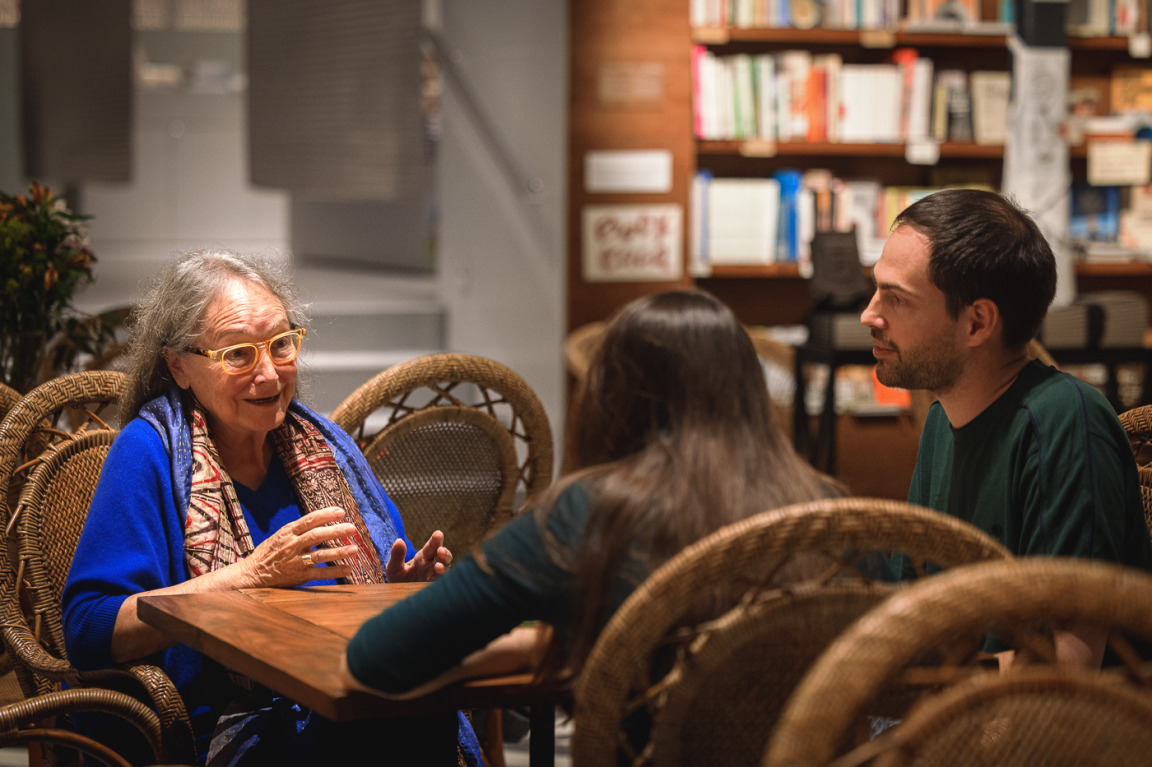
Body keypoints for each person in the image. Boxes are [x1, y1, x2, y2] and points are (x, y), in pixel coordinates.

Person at [61, 250, 480, 766]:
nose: (269, 374)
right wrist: (246, 576)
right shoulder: (148, 452)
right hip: (225, 724)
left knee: (414, 705)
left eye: (281, 345)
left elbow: (384, 595)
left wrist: (399, 590)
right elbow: (88, 630)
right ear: (178, 366)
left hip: (345, 693)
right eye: (237, 354)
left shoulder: (324, 448)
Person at [338, 289, 843, 709]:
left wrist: (508, 652)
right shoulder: (825, 509)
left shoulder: (586, 514)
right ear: (748, 391)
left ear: (611, 395)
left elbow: (370, 663)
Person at [860, 188, 1152, 668]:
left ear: (977, 323)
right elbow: (910, 616)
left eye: (897, 299)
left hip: (1068, 735)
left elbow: (1064, 668)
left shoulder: (1067, 420)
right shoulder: (942, 418)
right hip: (950, 713)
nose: (870, 314)